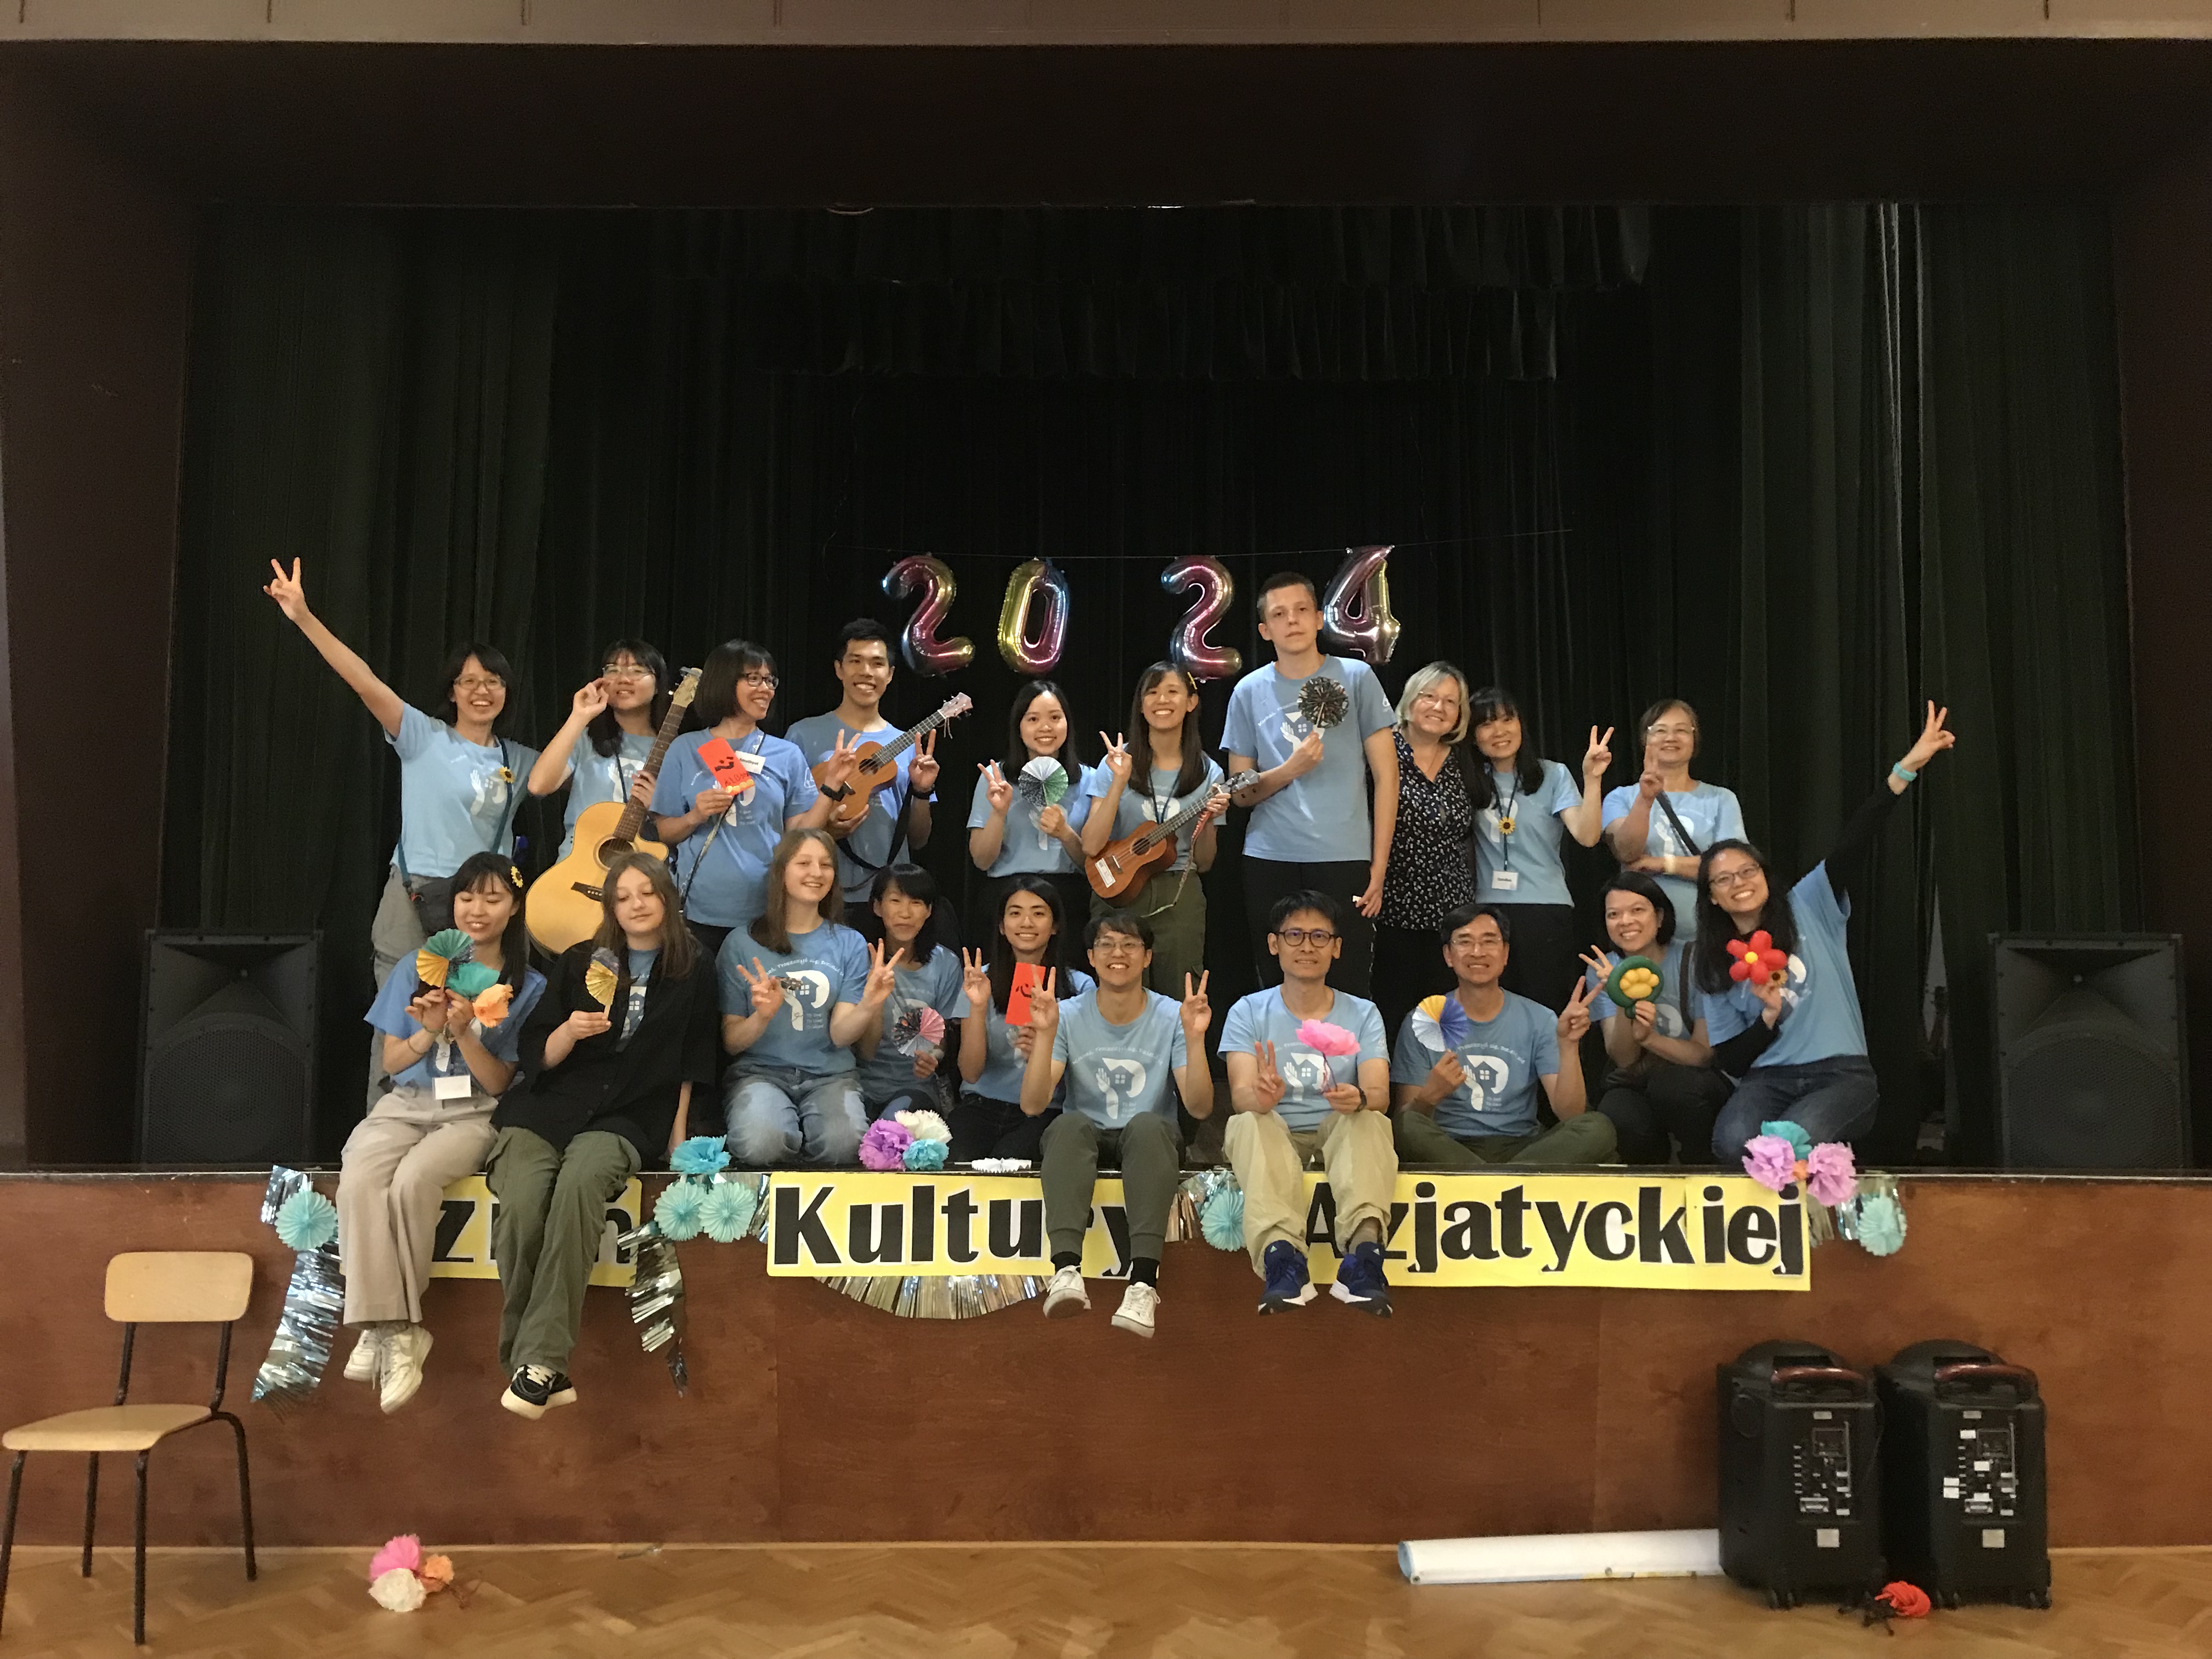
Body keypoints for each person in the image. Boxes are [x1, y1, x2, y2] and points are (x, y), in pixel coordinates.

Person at [262, 557, 540, 1107]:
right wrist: (303, 616)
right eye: (468, 681)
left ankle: (476, 1133)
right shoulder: (423, 735)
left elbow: (582, 774)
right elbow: (363, 681)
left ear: (508, 692)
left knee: (488, 1018)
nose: (482, 690)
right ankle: (380, 1128)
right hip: (415, 897)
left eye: (493, 681)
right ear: (452, 691)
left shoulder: (521, 759)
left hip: (485, 907)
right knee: (400, 1020)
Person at [487, 851, 719, 1419]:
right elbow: (536, 1053)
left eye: (647, 892)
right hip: (552, 1104)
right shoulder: (580, 961)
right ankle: (539, 1365)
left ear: (667, 897)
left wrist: (678, 1138)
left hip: (629, 1113)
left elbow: (693, 1061)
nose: (636, 905)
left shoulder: (694, 967)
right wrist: (570, 1030)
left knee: (579, 1186)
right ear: (611, 907)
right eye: (623, 896)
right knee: (520, 1203)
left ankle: (536, 1361)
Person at [1698, 702, 1957, 1162]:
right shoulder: (1715, 960)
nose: (1739, 883)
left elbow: (1854, 842)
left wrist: (1906, 769)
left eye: (1748, 871)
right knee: (1733, 1143)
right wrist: (1768, 1018)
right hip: (1768, 1080)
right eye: (1724, 879)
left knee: (1787, 1146)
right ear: (1712, 897)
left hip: (1841, 1076)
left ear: (1764, 874)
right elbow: (1730, 1060)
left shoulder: (1807, 903)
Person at [337, 853, 546, 1412]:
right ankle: (394, 1327)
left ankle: (390, 1327)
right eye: (467, 897)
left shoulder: (528, 986)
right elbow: (392, 1061)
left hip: (474, 1112)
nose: (477, 910)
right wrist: (430, 1031)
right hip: (408, 1102)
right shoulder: (418, 966)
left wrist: (467, 1033)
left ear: (515, 908)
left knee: (413, 1182)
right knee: (358, 1177)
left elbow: (501, 1084)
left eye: (493, 899)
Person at [1023, 911, 1214, 1338]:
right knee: (1067, 1126)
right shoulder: (1066, 1013)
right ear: (1091, 958)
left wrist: (1195, 1038)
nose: (1118, 953)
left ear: (1148, 957)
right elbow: (1034, 1104)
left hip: (1149, 1141)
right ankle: (1066, 1271)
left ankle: (1143, 1284)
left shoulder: (1173, 1015)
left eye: (1130, 945)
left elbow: (1200, 1107)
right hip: (1087, 1137)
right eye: (1106, 944)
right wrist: (1045, 1035)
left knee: (1147, 1126)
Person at [1220, 891, 1396, 1317]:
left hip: (1337, 1132)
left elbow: (1380, 1094)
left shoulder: (1363, 1013)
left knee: (1369, 1119)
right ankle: (1283, 1261)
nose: (1307, 946)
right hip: (1275, 1130)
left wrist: (1360, 1097)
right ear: (1274, 944)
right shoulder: (1247, 1011)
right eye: (1294, 935)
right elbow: (1241, 1096)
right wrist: (1261, 1097)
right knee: (1248, 1122)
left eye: (1320, 936)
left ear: (1337, 948)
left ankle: (1364, 1258)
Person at [1223, 571, 1399, 997]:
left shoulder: (1356, 677)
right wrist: (1290, 770)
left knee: (1347, 979)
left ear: (1320, 619)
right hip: (1270, 857)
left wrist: (1379, 867)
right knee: (1277, 983)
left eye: (1302, 610)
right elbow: (1239, 792)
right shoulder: (1248, 691)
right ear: (1265, 630)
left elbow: (1387, 776)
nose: (1293, 620)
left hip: (1344, 856)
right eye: (1279, 614)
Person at [1391, 903, 1616, 1165]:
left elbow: (1570, 1114)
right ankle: (1509, 1181)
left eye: (1489, 941)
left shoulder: (1539, 1018)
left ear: (1506, 953)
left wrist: (1568, 1045)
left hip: (1523, 1146)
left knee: (1597, 1127)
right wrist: (1430, 1096)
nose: (1477, 952)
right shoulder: (1424, 1019)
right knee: (1404, 1126)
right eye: (1465, 941)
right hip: (1448, 1146)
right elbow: (1407, 1120)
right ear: (1448, 955)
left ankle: (1493, 1179)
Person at [650, 640, 830, 960]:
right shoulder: (685, 748)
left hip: (766, 908)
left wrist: (832, 787)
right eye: (754, 679)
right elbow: (665, 833)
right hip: (697, 910)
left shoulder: (786, 754)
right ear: (724, 681)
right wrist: (695, 815)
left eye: (770, 680)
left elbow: (801, 835)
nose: (766, 689)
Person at [719, 828, 887, 1167]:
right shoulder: (741, 942)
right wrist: (762, 1017)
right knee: (762, 1144)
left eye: (826, 865)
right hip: (760, 1074)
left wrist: (870, 1003)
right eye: (804, 863)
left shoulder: (850, 943)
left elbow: (840, 1034)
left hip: (831, 1076)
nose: (816, 873)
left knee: (846, 1146)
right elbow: (731, 1042)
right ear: (782, 871)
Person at [1080, 663, 1232, 1000]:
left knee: (1180, 993)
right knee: (1119, 995)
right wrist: (1118, 782)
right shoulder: (1115, 763)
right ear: (1141, 704)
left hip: (1178, 890)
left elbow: (1205, 862)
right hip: (1119, 888)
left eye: (1172, 691)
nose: (1162, 700)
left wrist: (1209, 819)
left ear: (1191, 702)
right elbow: (1090, 844)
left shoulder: (1210, 773)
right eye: (1152, 692)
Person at [1463, 687, 1611, 1012]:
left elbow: (1587, 836)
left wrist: (1592, 779)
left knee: (1545, 1009)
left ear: (1521, 725)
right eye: (1486, 724)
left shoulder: (1553, 775)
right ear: (1473, 736)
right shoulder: (1468, 779)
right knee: (1491, 1009)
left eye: (1507, 720)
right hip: (1487, 912)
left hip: (1545, 909)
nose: (1499, 731)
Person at [1575, 870, 1734, 1164]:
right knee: (1618, 1111)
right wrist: (1621, 996)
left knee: (1674, 1088)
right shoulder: (1604, 968)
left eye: (1637, 910)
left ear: (1659, 917)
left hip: (1692, 1078)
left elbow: (1703, 1055)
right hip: (1637, 1077)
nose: (1625, 922)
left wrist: (1650, 1039)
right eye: (1613, 915)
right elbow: (1623, 1059)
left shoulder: (1695, 960)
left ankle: (1700, 1168)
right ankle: (1650, 1179)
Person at [786, 619, 943, 907]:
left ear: (890, 674)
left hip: (891, 900)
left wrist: (922, 791)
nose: (866, 672)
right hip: (819, 892)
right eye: (855, 661)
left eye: (877, 663)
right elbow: (782, 826)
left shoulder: (909, 745)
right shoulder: (802, 735)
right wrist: (824, 829)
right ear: (839, 669)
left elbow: (918, 840)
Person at [947, 876, 1092, 1164]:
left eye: (1038, 913)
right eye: (1015, 913)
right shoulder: (979, 980)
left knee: (1010, 1163)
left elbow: (1086, 1075)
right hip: (981, 1104)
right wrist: (977, 1007)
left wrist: (1046, 1050)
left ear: (1055, 926)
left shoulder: (1080, 987)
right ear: (1002, 926)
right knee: (958, 1158)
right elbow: (971, 1073)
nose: (1026, 922)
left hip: (1048, 1109)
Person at [1373, 662, 1481, 1038]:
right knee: (1392, 1015)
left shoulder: (1463, 759)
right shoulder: (1381, 749)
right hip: (1391, 910)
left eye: (1451, 702)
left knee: (1443, 1022)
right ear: (1409, 701)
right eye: (1429, 696)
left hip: (1451, 915)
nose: (1439, 707)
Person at [1602, 697, 1747, 935]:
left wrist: (1663, 864)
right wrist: (1645, 799)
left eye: (1681, 730)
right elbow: (1626, 853)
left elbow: (1731, 867)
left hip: (1708, 933)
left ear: (1694, 740)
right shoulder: (1621, 797)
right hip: (1642, 935)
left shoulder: (1721, 799)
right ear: (1645, 740)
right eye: (1660, 731)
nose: (1671, 738)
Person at [967, 678, 1096, 934]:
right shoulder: (996, 778)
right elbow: (981, 861)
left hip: (1068, 897)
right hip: (1008, 895)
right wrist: (999, 813)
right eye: (1033, 719)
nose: (1045, 727)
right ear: (1019, 726)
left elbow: (1094, 866)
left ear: (1068, 723)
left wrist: (1065, 834)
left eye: (1055, 718)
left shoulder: (1090, 779)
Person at [526, 640, 670, 860]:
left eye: (637, 670)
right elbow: (538, 786)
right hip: (579, 863)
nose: (624, 679)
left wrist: (659, 807)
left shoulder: (673, 748)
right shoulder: (585, 738)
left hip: (640, 868)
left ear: (658, 684)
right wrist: (579, 716)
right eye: (613, 670)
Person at [850, 864, 966, 1123]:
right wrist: (874, 999)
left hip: (915, 1086)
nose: (905, 913)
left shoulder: (945, 964)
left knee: (891, 1132)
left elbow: (940, 1037)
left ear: (929, 911)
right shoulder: (859, 958)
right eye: (895, 901)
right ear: (877, 906)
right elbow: (866, 1052)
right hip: (858, 1083)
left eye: (916, 902)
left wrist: (933, 1057)